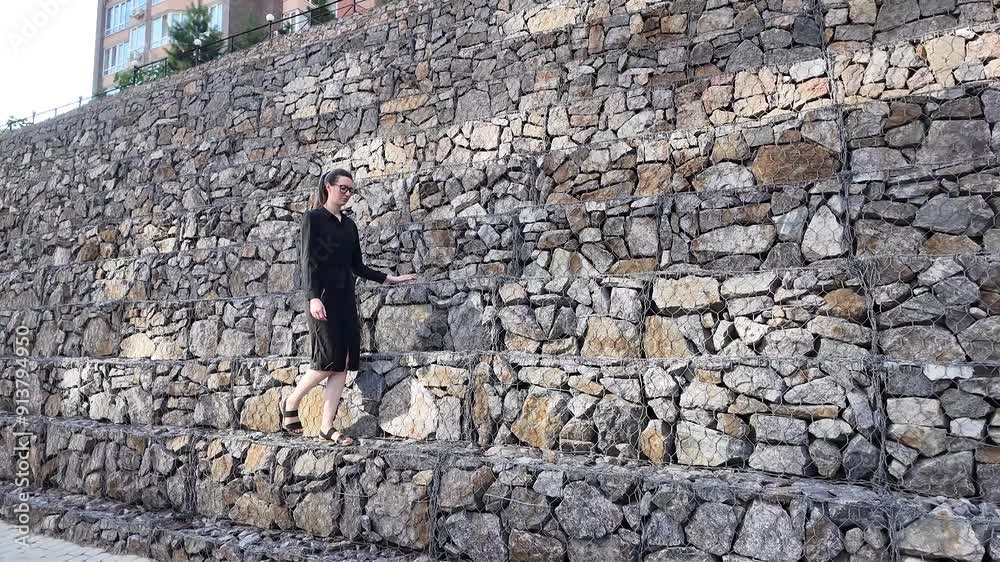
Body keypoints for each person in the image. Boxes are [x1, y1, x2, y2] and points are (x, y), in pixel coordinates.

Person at [281, 168, 417, 445]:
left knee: (342, 363)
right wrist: (312, 297)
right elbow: (307, 261)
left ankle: (327, 427)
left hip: (345, 299)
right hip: (322, 297)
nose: (347, 194)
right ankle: (292, 400)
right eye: (343, 188)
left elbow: (357, 266)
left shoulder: (349, 226)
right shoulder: (314, 218)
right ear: (328, 187)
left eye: (351, 190)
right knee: (328, 358)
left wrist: (388, 278)